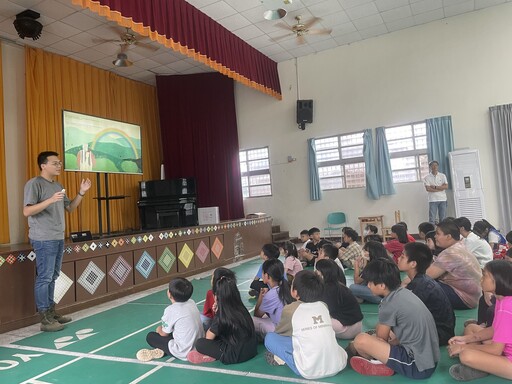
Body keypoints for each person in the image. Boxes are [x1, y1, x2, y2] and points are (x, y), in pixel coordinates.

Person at [23, 151, 92, 332]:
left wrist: (81, 193)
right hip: (43, 237)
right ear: (43, 165)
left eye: (60, 163)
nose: (59, 165)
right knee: (44, 277)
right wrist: (50, 200)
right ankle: (44, 318)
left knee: (53, 276)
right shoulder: (34, 184)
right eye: (55, 163)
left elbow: (70, 208)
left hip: (58, 236)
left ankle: (52, 312)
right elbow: (27, 211)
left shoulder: (58, 185)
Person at [349, 258, 439, 379]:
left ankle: (379, 363)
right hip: (429, 359)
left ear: (382, 285)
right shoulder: (404, 293)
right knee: (380, 328)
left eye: (370, 283)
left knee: (360, 341)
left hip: (417, 366)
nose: (368, 286)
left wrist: (366, 345)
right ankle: (386, 361)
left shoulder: (388, 305)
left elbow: (381, 339)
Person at [264, 270, 347, 379]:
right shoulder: (323, 305)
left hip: (308, 371)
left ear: (295, 292)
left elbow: (280, 333)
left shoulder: (290, 309)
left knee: (270, 338)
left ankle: (286, 360)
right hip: (338, 364)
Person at [447, 260, 512, 381]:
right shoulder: (501, 299)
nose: (481, 279)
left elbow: (495, 350)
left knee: (466, 356)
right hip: (504, 348)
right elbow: (494, 329)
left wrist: (463, 348)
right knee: (471, 328)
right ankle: (481, 365)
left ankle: (480, 366)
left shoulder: (506, 307)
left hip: (508, 359)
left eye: (485, 275)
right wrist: (464, 339)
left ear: (497, 280)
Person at [188, 274, 257, 364]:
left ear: (217, 296)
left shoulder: (222, 314)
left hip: (235, 355)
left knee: (200, 343)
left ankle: (212, 356)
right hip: (251, 350)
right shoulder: (241, 308)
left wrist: (217, 314)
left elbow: (208, 338)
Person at [397, 242, 455, 346]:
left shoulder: (421, 286)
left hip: (438, 334)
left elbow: (409, 317)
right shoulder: (420, 280)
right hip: (439, 330)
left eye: (402, 257)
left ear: (413, 264)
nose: (398, 259)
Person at [137, 277, 204, 361]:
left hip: (183, 351)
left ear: (169, 294)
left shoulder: (171, 310)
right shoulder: (191, 302)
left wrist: (159, 329)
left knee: (150, 336)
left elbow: (163, 334)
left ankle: (165, 350)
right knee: (174, 330)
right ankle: (164, 349)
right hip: (198, 346)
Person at [428, 221, 482, 309]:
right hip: (474, 296)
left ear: (448, 236)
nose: (435, 237)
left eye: (437, 234)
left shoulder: (451, 252)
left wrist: (405, 283)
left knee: (423, 285)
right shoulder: (460, 245)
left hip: (464, 298)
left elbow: (427, 275)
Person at [315, 259, 363, 339]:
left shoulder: (328, 290)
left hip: (347, 328)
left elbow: (327, 311)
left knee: (313, 320)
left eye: (317, 270)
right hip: (357, 326)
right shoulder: (338, 285)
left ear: (323, 273)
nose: (316, 272)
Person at [253, 259, 294, 339]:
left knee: (250, 320)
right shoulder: (288, 288)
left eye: (262, 273)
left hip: (280, 331)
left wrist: (261, 297)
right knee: (266, 314)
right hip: (290, 328)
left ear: (267, 276)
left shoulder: (271, 294)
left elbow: (257, 314)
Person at [424, 160, 448, 224]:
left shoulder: (442, 176)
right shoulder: (427, 177)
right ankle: (432, 233)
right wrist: (440, 189)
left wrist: (434, 187)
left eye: (436, 165)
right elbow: (428, 189)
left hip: (443, 199)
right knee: (432, 219)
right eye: (433, 165)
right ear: (430, 167)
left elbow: (446, 186)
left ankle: (442, 233)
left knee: (443, 218)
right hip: (433, 200)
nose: (434, 167)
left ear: (438, 166)